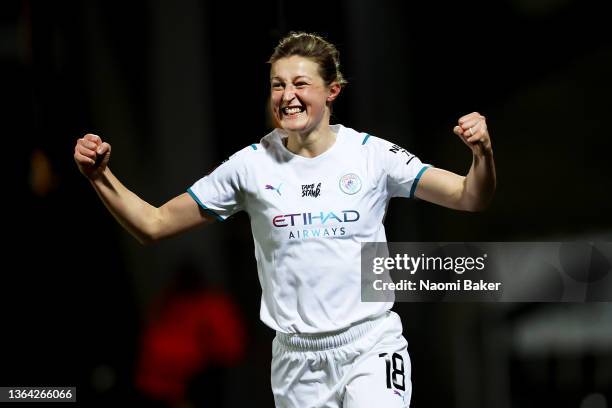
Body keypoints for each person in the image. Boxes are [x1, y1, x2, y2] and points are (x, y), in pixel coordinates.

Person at [74, 32, 495, 407]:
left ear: (332, 90)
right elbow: (153, 224)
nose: (287, 95)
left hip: (370, 344)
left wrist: (483, 154)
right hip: (296, 362)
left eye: (300, 83)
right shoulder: (251, 167)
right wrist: (99, 176)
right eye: (278, 84)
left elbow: (468, 196)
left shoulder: (372, 155)